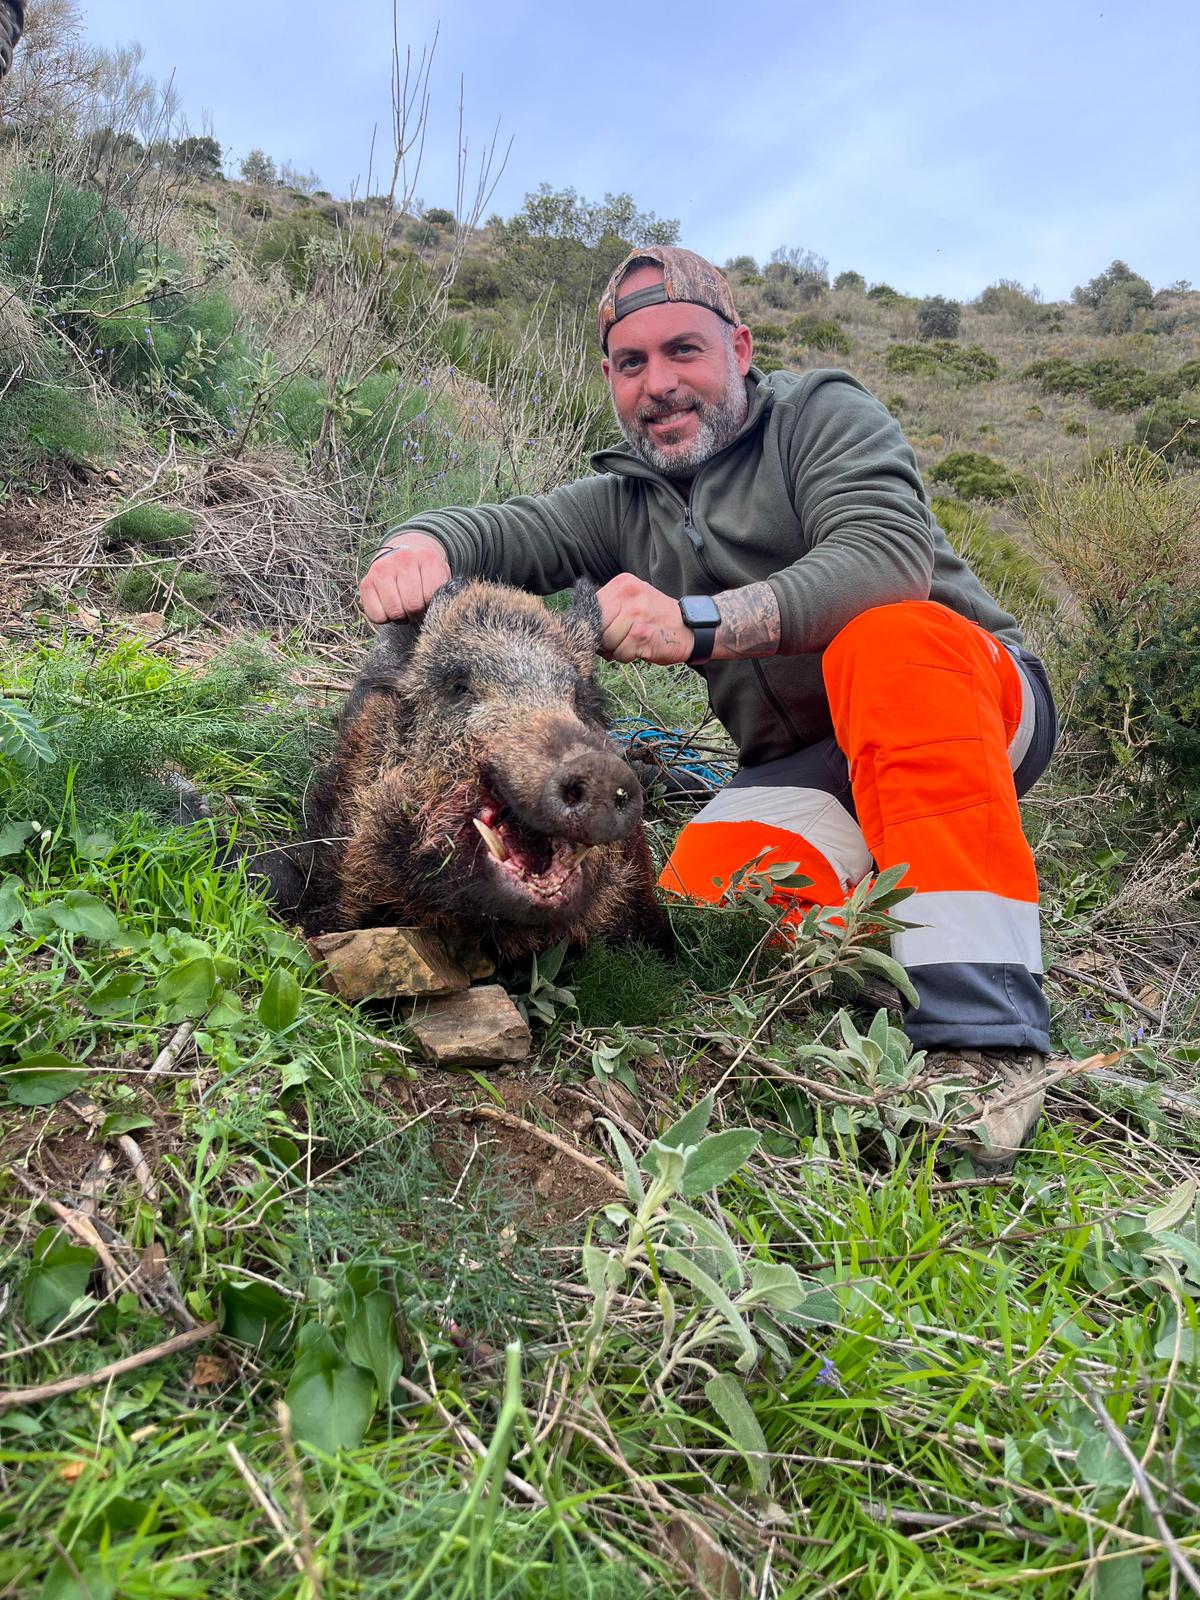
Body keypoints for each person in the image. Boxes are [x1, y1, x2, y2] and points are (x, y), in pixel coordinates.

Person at [360, 246, 1059, 1174]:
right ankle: (885, 925)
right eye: (631, 363)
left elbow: (888, 557)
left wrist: (695, 624)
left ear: (738, 347)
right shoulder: (623, 499)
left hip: (958, 693)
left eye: (683, 350)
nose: (660, 384)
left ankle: (986, 1041)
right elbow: (505, 528)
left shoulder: (821, 416)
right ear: (611, 379)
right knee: (704, 894)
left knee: (888, 643)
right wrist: (420, 542)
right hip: (804, 765)